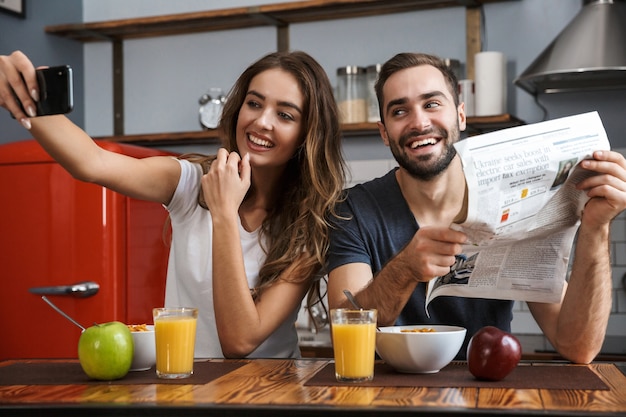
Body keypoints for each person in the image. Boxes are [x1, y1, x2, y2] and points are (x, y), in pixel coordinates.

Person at [0, 49, 346, 359]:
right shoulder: (191, 182)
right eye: (254, 103)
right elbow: (93, 163)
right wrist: (29, 101)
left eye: (285, 115)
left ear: (307, 135)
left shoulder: (310, 224)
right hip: (184, 388)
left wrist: (224, 212)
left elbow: (240, 341)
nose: (262, 121)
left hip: (269, 395)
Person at [326, 52, 626, 364]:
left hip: (490, 397)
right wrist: (405, 269)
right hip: (384, 401)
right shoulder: (352, 209)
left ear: (461, 116)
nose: (419, 122)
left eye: (431, 104)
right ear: (385, 133)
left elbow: (578, 346)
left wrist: (596, 227)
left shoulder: (514, 201)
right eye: (400, 111)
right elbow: (341, 333)